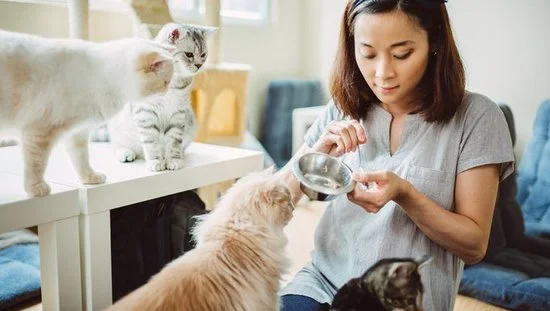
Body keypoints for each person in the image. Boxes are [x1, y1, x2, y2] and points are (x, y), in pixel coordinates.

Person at [276, 0, 515, 310]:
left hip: (400, 300)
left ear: (434, 42)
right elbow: (278, 198)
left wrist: (406, 195)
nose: (382, 73)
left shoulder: (477, 118)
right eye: (368, 53)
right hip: (323, 284)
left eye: (402, 54)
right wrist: (313, 158)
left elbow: (474, 245)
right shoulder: (342, 108)